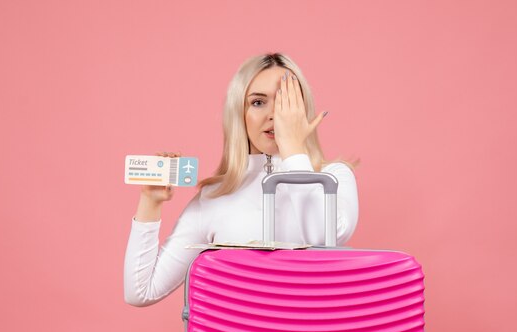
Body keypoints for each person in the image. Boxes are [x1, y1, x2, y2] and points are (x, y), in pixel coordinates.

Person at [124, 52, 359, 307]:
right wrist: (150, 201)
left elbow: (324, 241)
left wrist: (292, 149)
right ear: (240, 113)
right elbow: (141, 291)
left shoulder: (334, 178)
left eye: (284, 101)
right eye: (258, 102)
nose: (273, 115)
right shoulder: (215, 196)